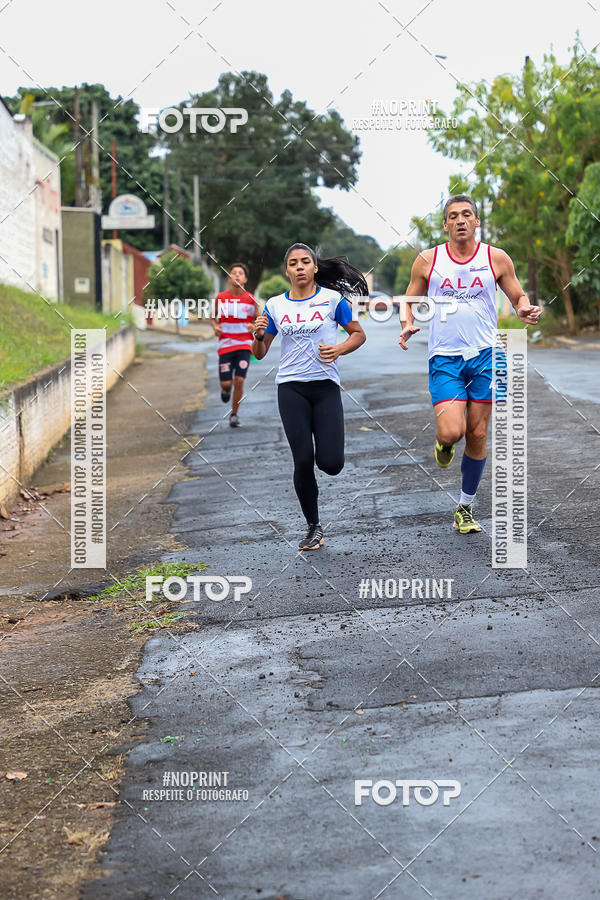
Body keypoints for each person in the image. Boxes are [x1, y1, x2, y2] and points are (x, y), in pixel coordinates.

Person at [398, 194, 541, 533]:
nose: (460, 220)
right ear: (445, 224)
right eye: (453, 216)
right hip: (444, 356)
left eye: (466, 214)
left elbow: (517, 295)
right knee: (453, 430)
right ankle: (444, 443)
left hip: (488, 355)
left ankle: (465, 507)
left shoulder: (496, 258)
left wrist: (522, 307)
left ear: (477, 221)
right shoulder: (428, 259)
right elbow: (409, 299)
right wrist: (406, 323)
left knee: (477, 433)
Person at [251, 243, 367, 550]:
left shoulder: (332, 300)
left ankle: (326, 460)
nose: (300, 267)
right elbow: (259, 353)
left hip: (325, 387)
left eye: (305, 261)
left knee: (331, 463)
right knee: (302, 460)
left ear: (315, 267)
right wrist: (258, 336)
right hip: (291, 389)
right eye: (293, 263)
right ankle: (313, 526)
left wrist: (339, 349)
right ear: (286, 270)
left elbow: (358, 334)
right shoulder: (275, 305)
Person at [210, 263, 258, 427]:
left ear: (245, 279)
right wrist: (215, 327)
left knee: (239, 380)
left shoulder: (251, 299)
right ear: (229, 278)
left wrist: (253, 326)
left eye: (240, 273)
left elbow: (258, 319)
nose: (237, 275)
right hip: (226, 344)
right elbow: (213, 317)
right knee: (226, 383)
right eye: (234, 273)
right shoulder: (221, 298)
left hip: (244, 344)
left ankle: (234, 415)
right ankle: (225, 389)